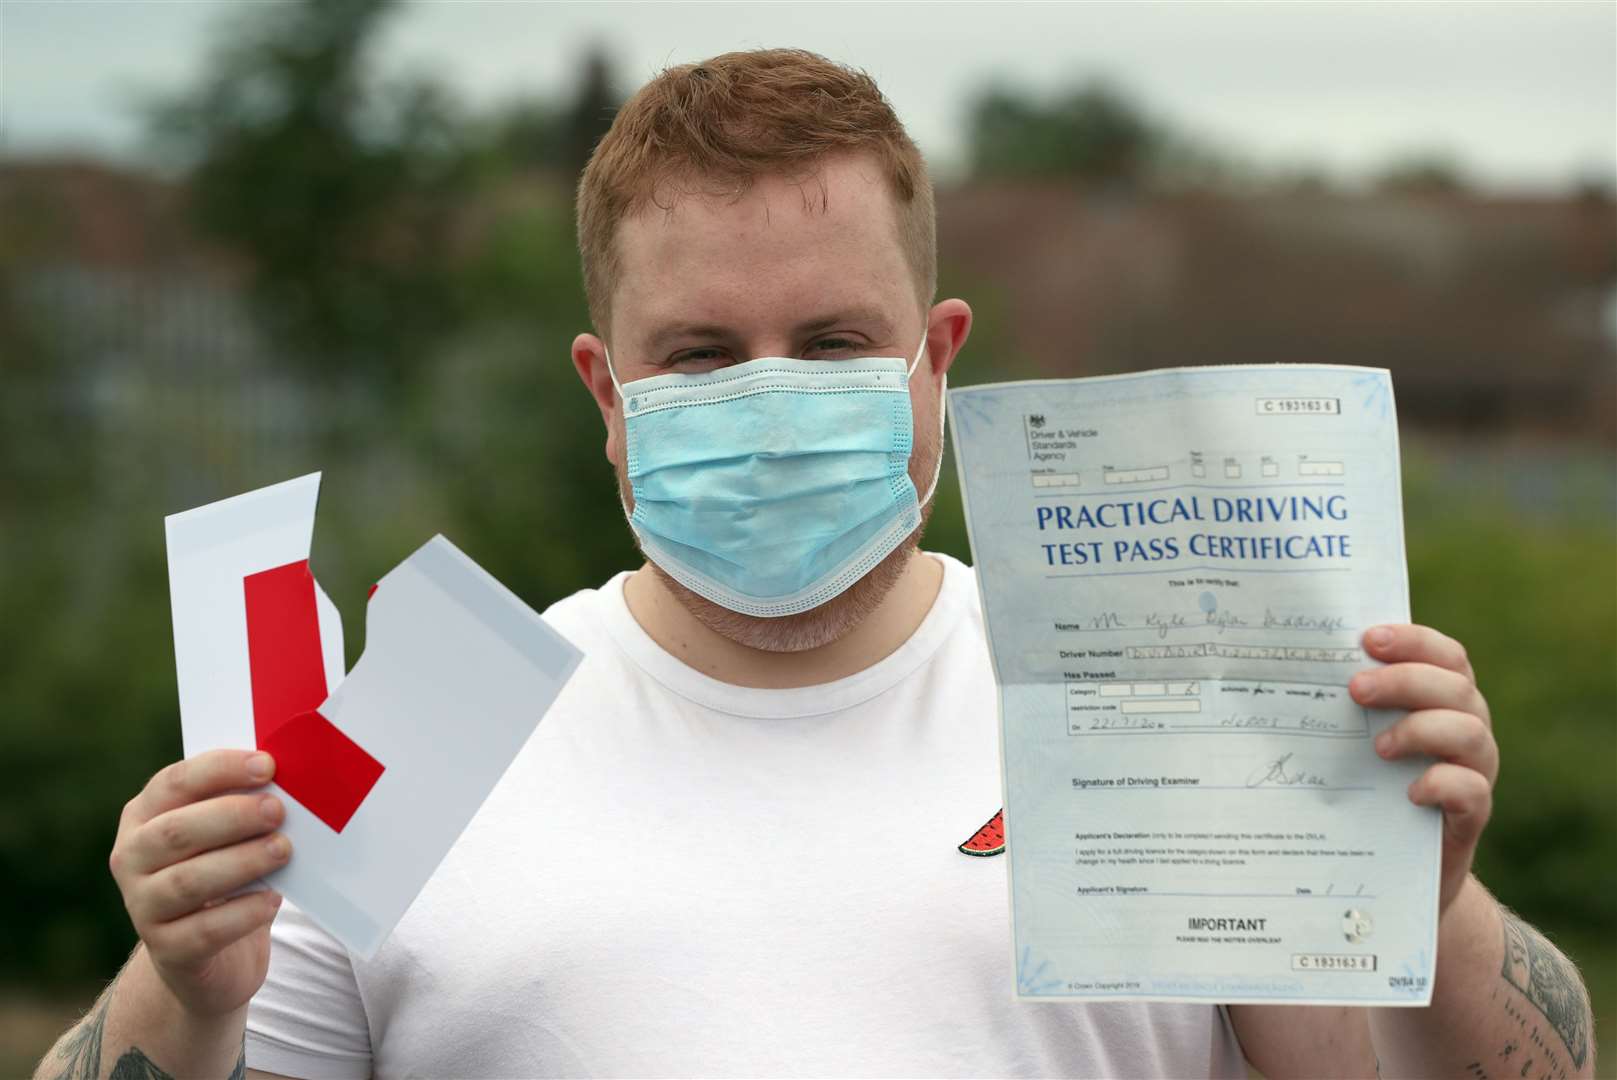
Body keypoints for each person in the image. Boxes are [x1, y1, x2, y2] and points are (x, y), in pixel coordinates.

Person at [38, 48, 1594, 1079]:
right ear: (605, 391)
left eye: (831, 343)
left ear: (935, 355)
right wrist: (183, 987)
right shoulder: (416, 729)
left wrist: (1422, 899)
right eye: (702, 354)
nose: (767, 402)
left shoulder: (1147, 695)